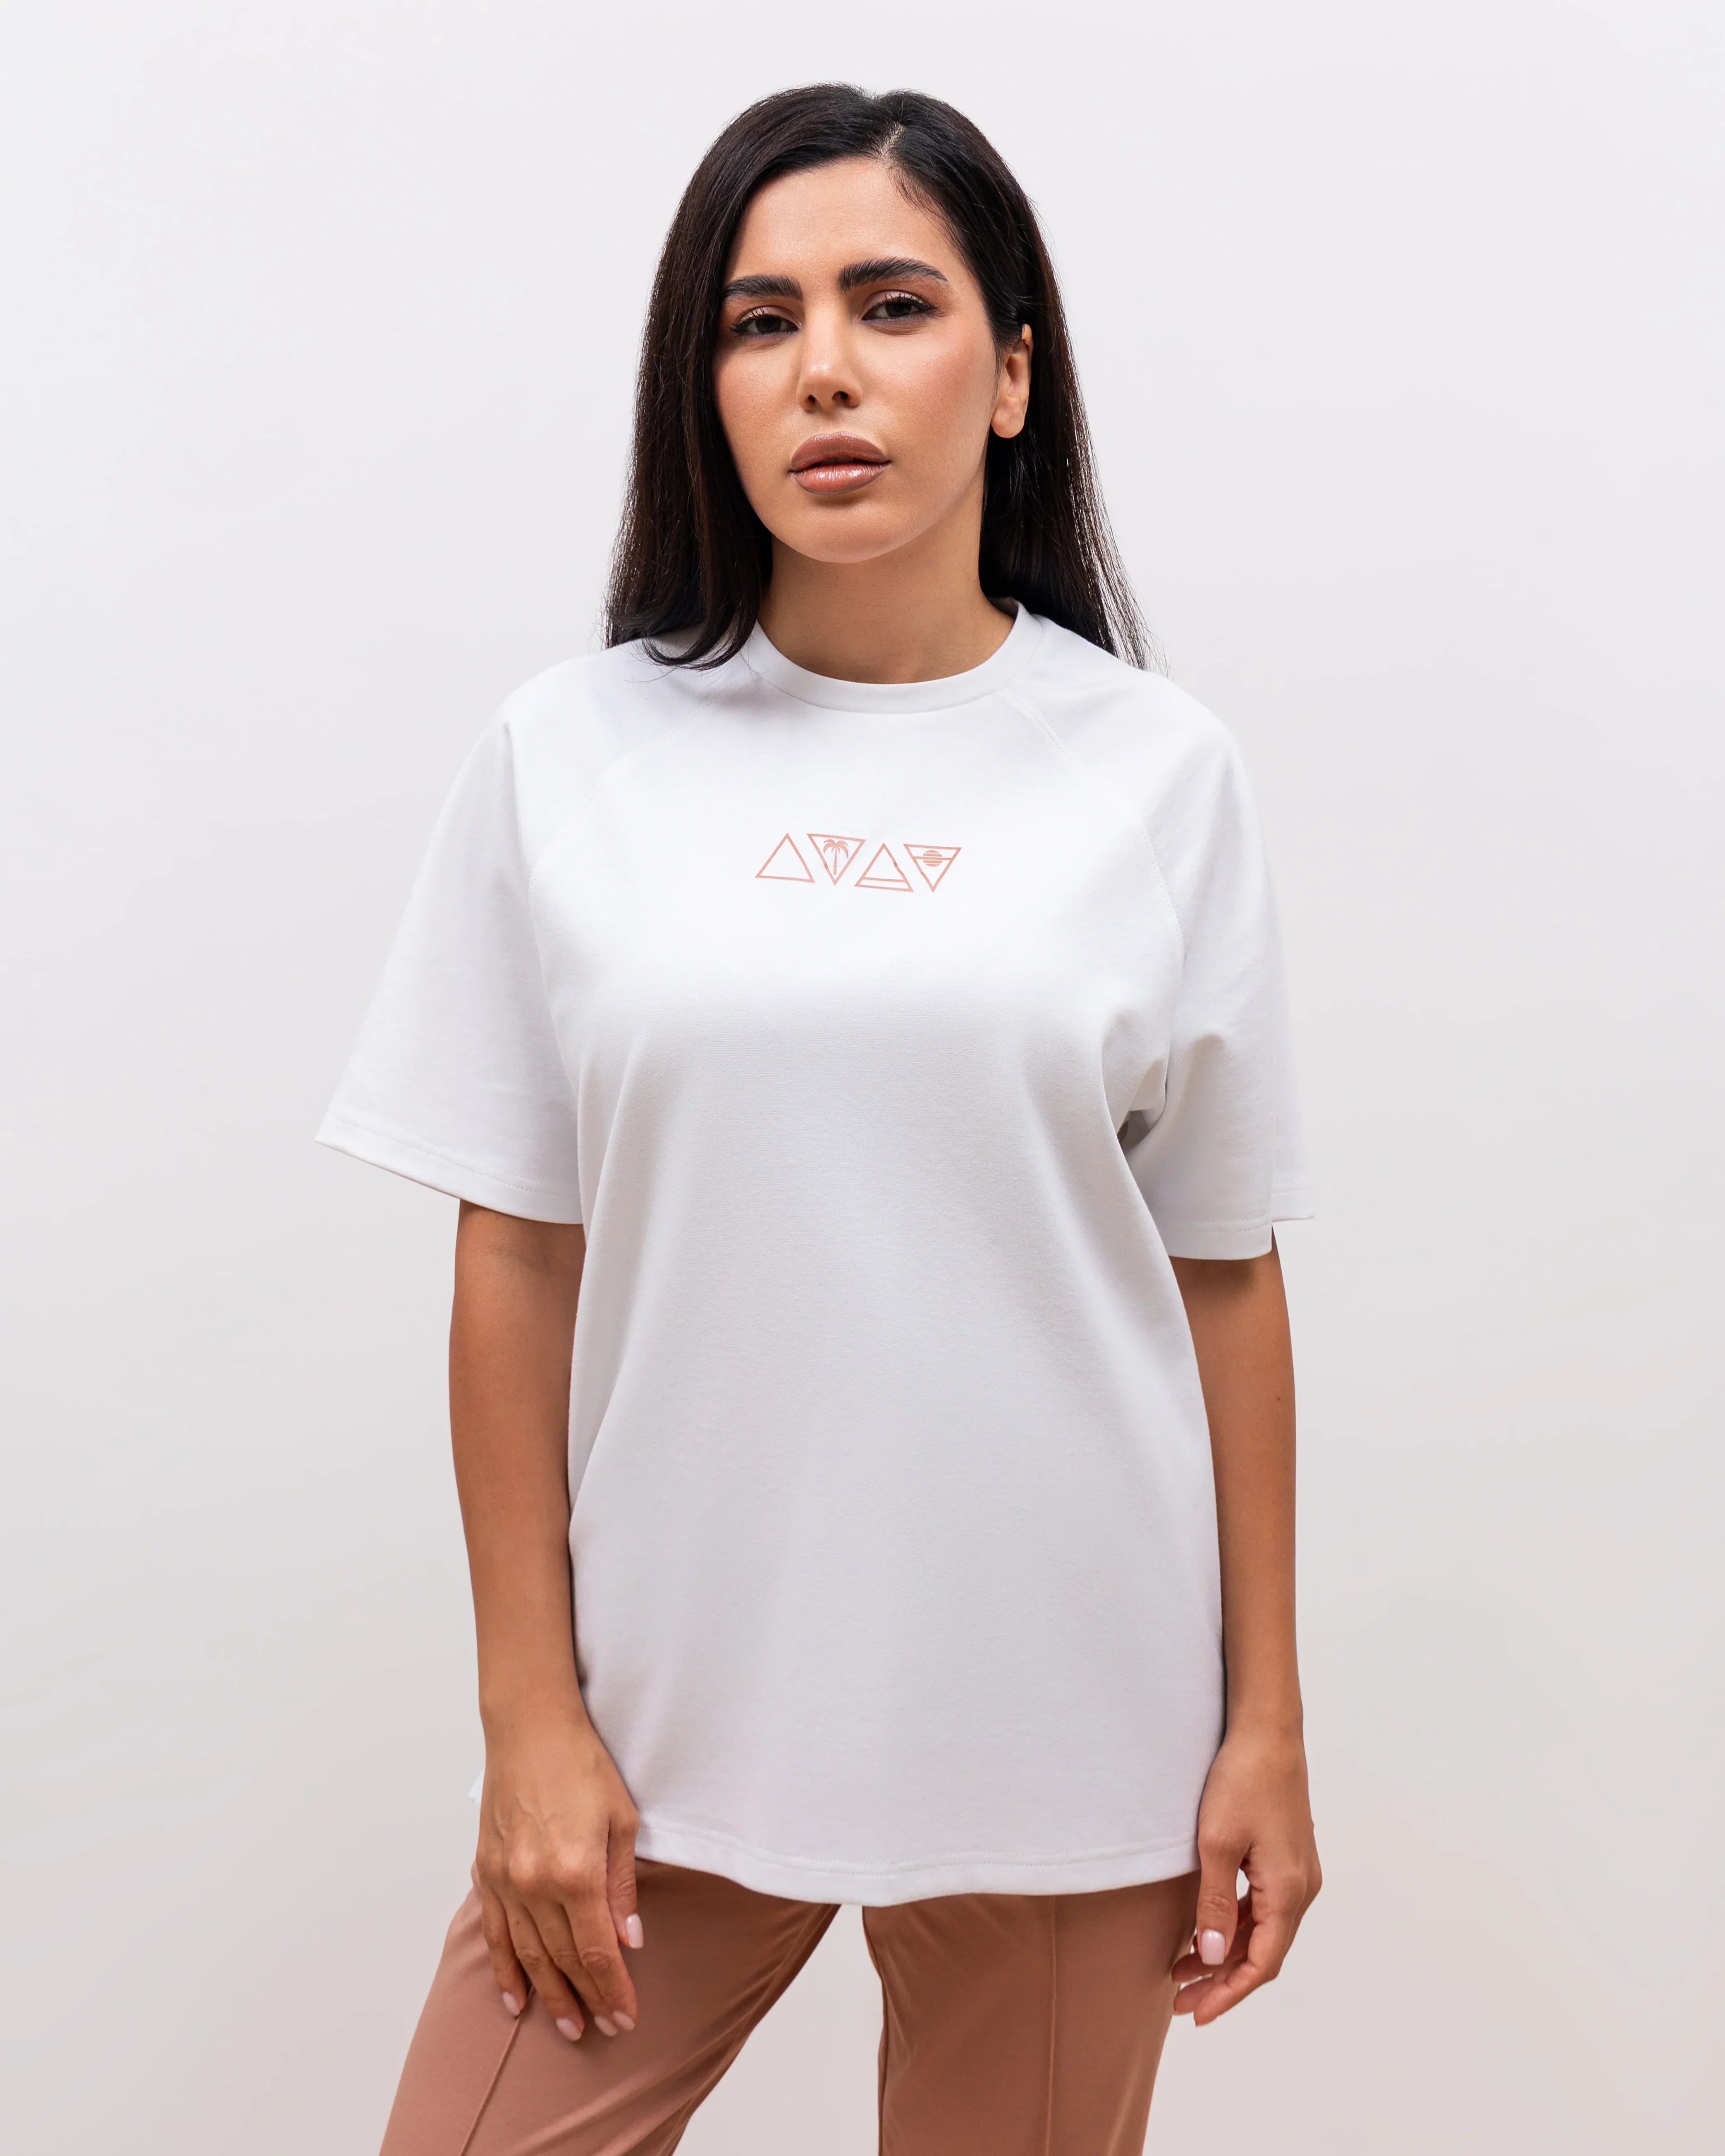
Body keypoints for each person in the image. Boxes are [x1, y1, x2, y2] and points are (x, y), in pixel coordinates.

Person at [318, 81, 1322, 2156]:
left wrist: (1264, 1724)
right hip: (662, 1725)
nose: (824, 370)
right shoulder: (570, 754)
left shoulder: (1156, 773)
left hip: (1067, 1719)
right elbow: (515, 1250)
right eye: (757, 321)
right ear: (701, 386)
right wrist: (528, 1714)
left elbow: (1218, 1275)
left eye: (892, 304)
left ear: (1012, 372)